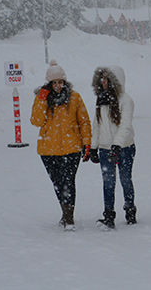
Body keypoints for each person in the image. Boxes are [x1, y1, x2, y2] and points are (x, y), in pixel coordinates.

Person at [30, 60, 92, 231]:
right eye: (54, 82)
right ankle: (65, 213)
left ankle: (69, 218)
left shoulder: (75, 97)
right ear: (49, 83)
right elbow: (36, 121)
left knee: (68, 182)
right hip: (48, 150)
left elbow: (84, 122)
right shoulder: (41, 98)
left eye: (60, 82)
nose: (57, 85)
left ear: (65, 82)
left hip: (72, 149)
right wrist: (42, 99)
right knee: (57, 183)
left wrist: (87, 143)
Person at [88, 66, 137, 229]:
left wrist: (117, 145)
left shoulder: (126, 100)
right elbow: (97, 124)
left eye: (106, 79)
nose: (103, 82)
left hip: (125, 147)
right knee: (108, 182)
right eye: (101, 79)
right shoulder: (101, 99)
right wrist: (94, 146)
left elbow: (125, 125)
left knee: (125, 179)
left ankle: (130, 209)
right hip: (104, 148)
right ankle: (108, 215)